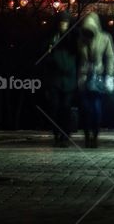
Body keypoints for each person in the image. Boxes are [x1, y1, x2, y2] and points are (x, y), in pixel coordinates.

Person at [76, 11, 114, 148]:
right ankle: (88, 136)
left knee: (96, 109)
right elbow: (76, 57)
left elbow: (110, 56)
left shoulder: (104, 38)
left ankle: (95, 135)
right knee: (86, 109)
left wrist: (109, 75)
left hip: (97, 78)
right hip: (84, 77)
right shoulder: (80, 39)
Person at [43, 12, 77, 144]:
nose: (63, 25)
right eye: (61, 22)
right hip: (56, 79)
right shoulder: (53, 38)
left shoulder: (71, 39)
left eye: (65, 22)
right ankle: (59, 132)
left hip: (67, 80)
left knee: (65, 108)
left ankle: (64, 133)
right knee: (56, 108)